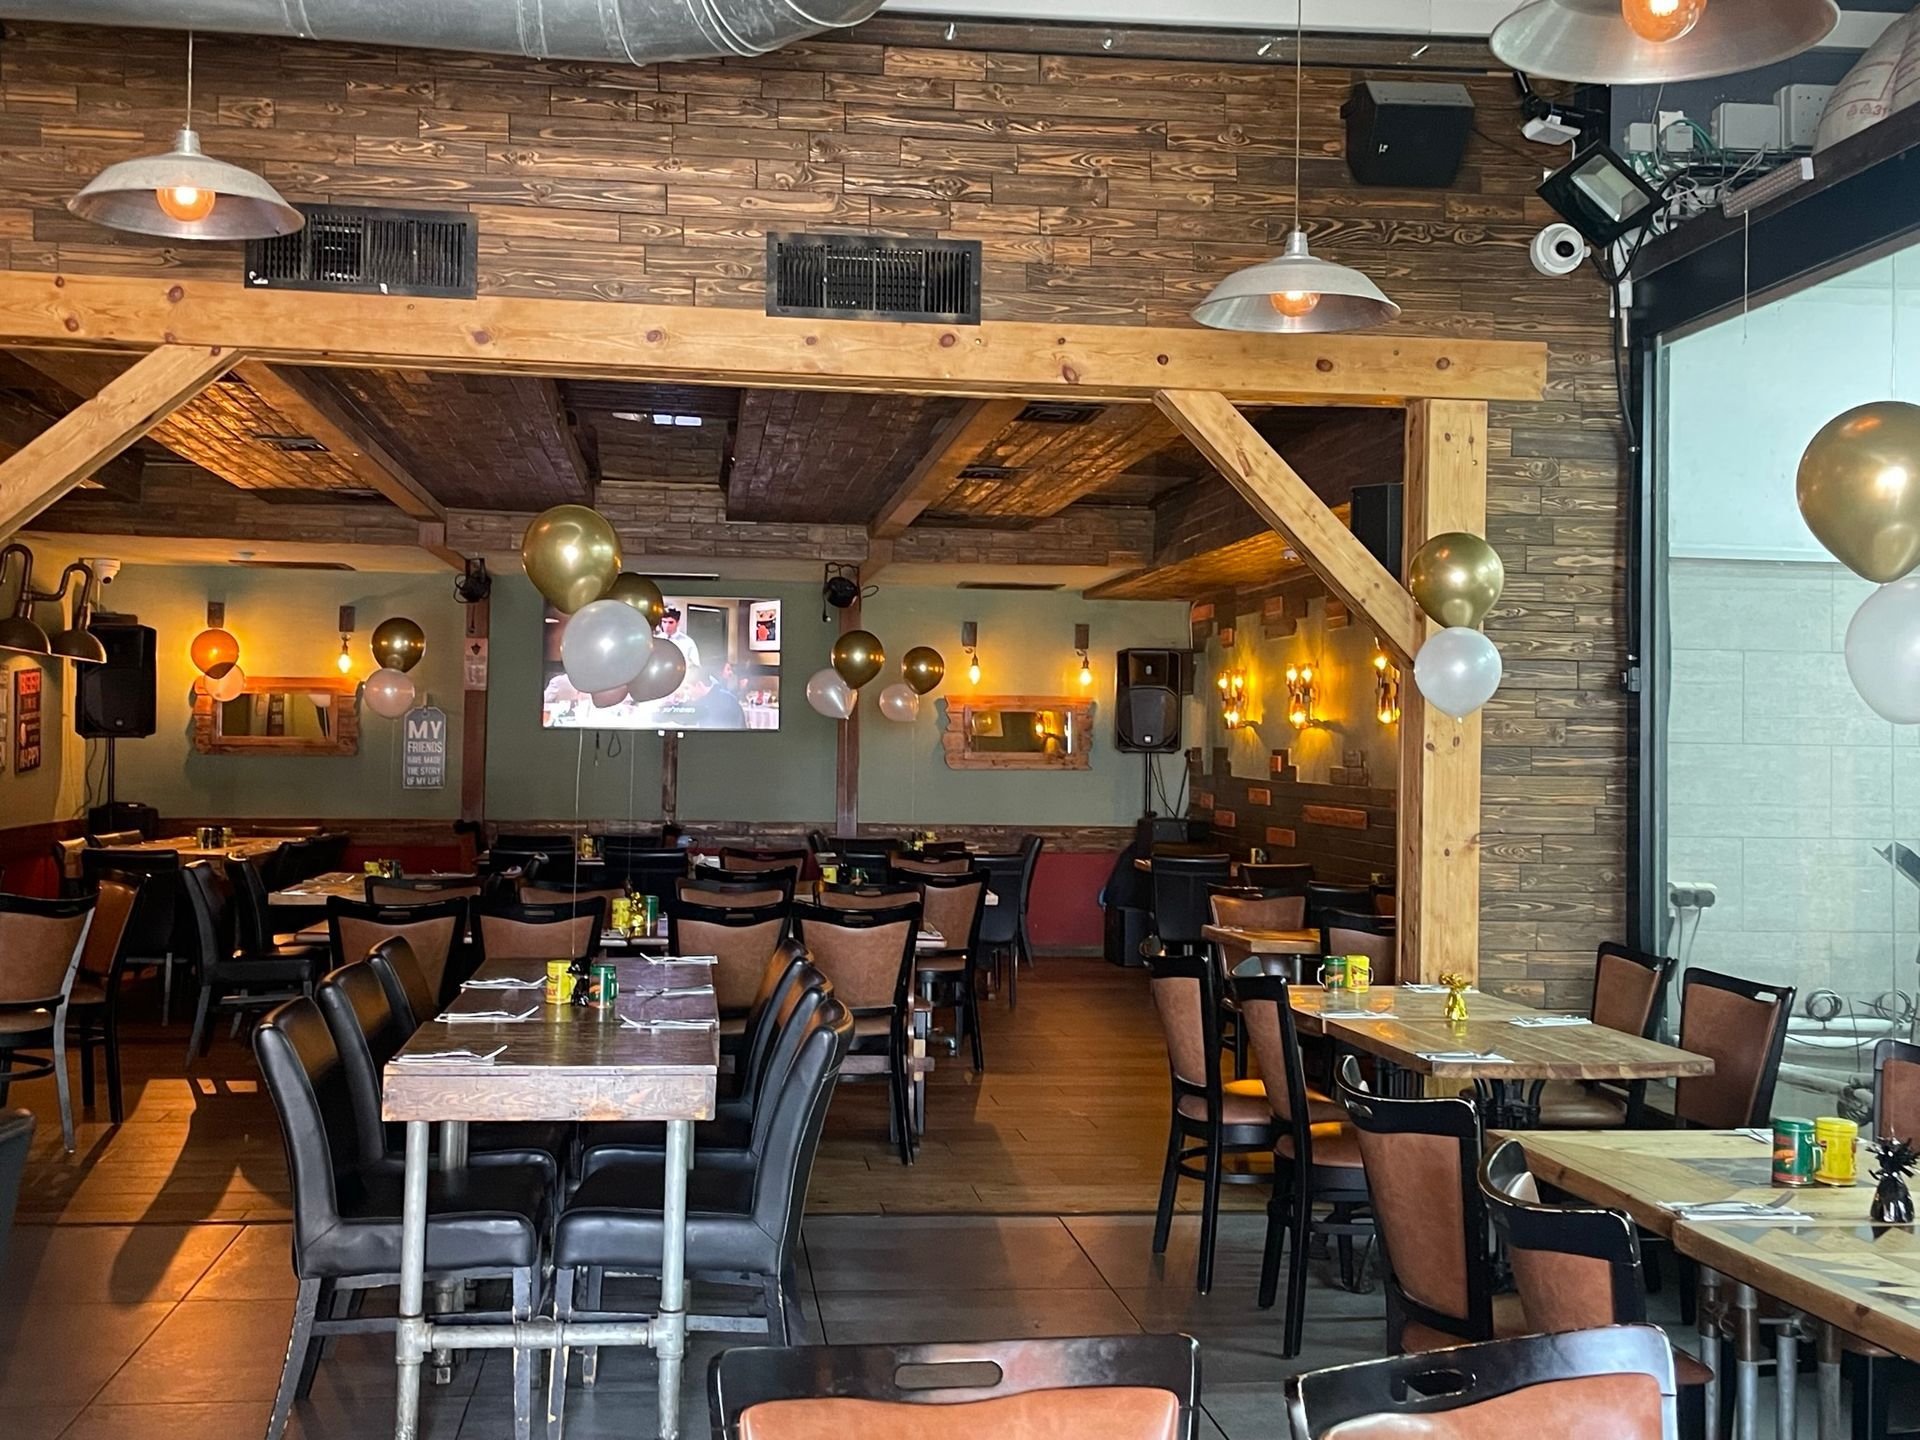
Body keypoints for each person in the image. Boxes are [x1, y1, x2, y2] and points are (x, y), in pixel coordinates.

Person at [685, 666, 745, 730]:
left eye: (687, 688)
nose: (686, 693)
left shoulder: (726, 702)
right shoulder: (700, 702)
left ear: (699, 685)